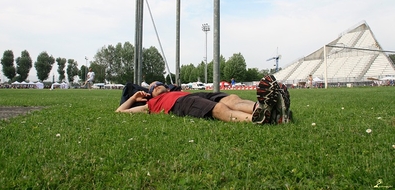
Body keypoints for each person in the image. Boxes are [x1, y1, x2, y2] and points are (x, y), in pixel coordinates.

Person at [116, 75, 290, 124]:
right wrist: (133, 97)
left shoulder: (177, 90)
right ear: (149, 94)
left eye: (159, 83)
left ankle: (264, 107)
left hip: (191, 96)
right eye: (152, 87)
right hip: (181, 104)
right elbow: (120, 112)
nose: (156, 86)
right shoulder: (151, 105)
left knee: (232, 98)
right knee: (219, 110)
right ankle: (257, 118)